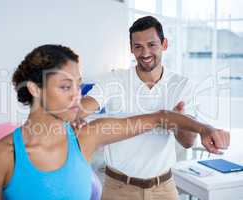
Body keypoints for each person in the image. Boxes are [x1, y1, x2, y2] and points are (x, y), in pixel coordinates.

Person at [0, 44, 229, 200]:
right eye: (65, 86)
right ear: (34, 88)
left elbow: (160, 117)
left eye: (78, 85)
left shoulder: (87, 137)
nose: (77, 95)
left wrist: (205, 128)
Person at [77, 16, 223, 199]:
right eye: (138, 46)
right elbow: (86, 105)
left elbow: (187, 142)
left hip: (163, 188)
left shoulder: (181, 85)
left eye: (152, 44)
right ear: (131, 48)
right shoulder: (114, 79)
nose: (145, 52)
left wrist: (177, 123)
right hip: (118, 188)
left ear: (164, 44)